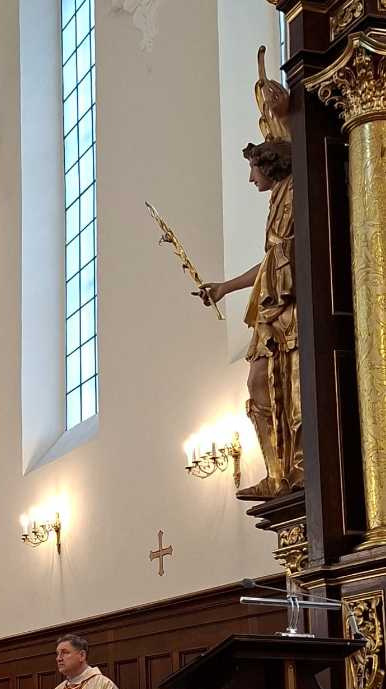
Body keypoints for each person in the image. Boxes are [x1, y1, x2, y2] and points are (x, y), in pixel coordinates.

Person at [198, 51, 299, 500]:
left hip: (291, 305)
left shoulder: (297, 189)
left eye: (252, 169)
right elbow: (269, 262)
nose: (249, 179)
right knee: (258, 385)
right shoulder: (276, 201)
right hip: (270, 306)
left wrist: (284, 114)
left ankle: (295, 468)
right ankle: (276, 472)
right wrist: (225, 288)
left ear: (269, 164)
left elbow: (311, 153)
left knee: (288, 387)